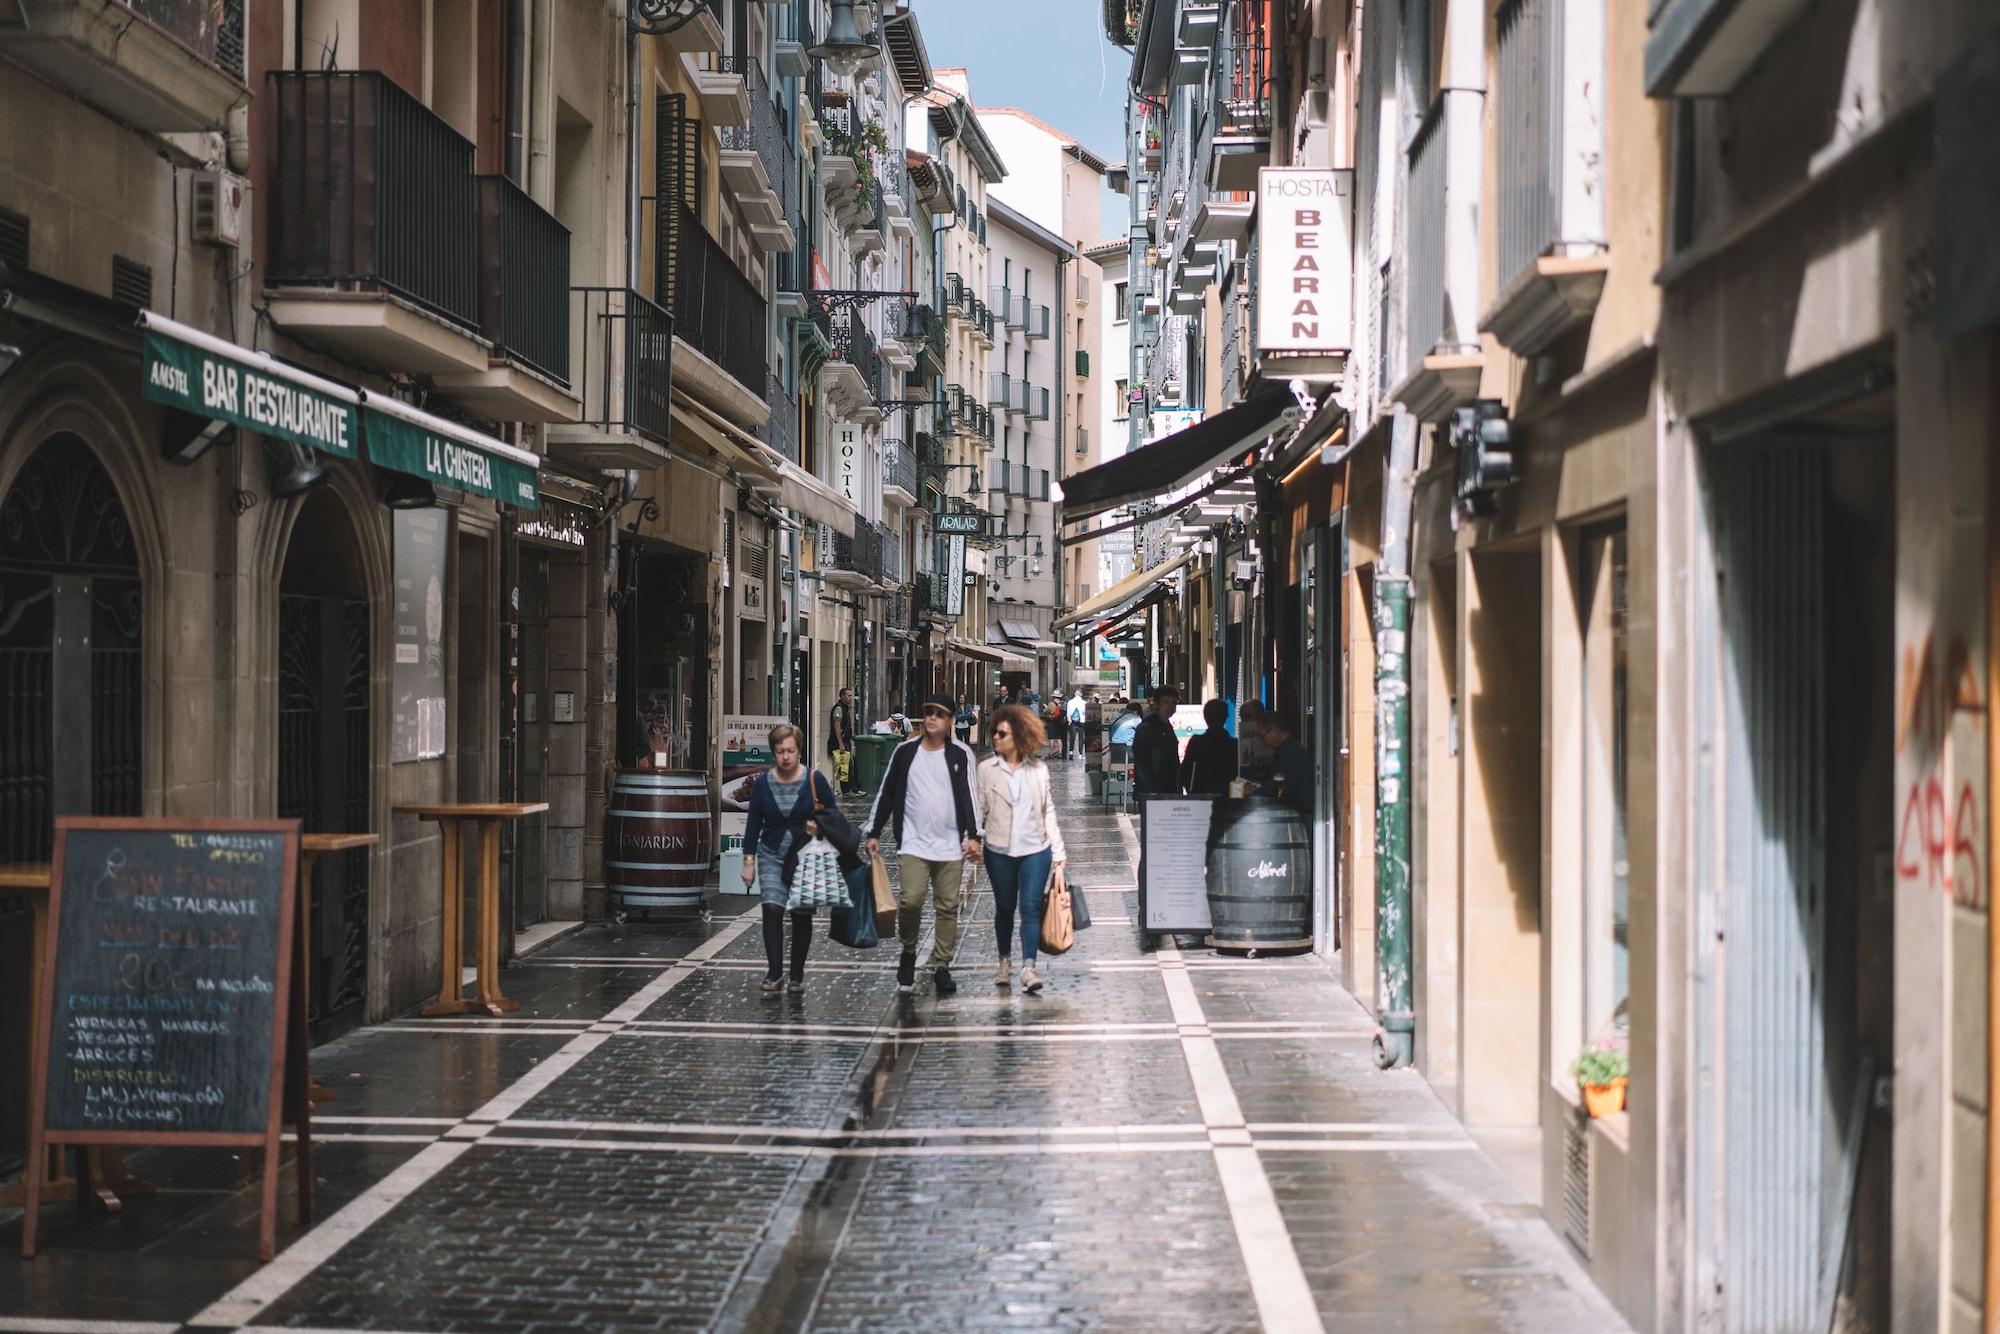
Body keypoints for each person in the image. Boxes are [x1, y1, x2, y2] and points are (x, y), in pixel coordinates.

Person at [866, 693, 983, 997]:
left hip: (949, 844)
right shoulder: (905, 753)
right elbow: (887, 793)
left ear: (950, 721)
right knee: (910, 901)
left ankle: (942, 966)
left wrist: (974, 836)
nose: (932, 718)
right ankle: (908, 950)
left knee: (947, 906)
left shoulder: (961, 755)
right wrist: (873, 831)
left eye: (939, 714)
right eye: (929, 712)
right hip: (914, 842)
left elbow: (970, 796)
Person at [739, 725, 838, 995]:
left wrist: (819, 826)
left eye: (790, 751)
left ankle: (796, 975)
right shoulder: (762, 784)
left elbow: (834, 816)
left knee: (800, 915)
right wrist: (748, 861)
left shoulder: (814, 780)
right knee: (771, 909)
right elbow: (753, 823)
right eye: (780, 751)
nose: (785, 756)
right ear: (773, 752)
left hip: (804, 858)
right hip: (771, 854)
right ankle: (774, 973)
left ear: (799, 751)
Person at [977, 704, 1066, 994]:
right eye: (994, 733)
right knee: (1004, 907)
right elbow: (980, 809)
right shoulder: (986, 770)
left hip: (1035, 849)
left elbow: (1048, 809)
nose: (996, 738)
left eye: (1002, 734)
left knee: (1030, 907)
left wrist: (1059, 853)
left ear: (1019, 736)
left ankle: (1029, 967)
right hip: (999, 849)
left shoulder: (1038, 770)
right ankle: (1004, 960)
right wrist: (973, 840)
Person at [1257, 709, 1314, 815]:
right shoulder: (1288, 750)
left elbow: (1280, 788)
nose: (1262, 741)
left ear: (1275, 730)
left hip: (1300, 815)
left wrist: (1254, 792)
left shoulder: (1292, 753)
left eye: (1262, 736)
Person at [1132, 686, 1183, 796]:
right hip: (1152, 793)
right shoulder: (1146, 728)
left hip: (1169, 789)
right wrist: (1153, 793)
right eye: (1166, 702)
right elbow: (1142, 765)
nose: (1171, 706)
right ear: (1156, 704)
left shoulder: (1168, 727)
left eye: (1174, 703)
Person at [1180, 698, 1237, 795]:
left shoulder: (1197, 742)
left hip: (1200, 797)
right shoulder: (1234, 745)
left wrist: (1191, 790)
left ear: (1205, 717)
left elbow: (1185, 772)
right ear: (1226, 716)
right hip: (1228, 798)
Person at [828, 687, 856, 796]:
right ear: (842, 696)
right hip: (840, 742)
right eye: (848, 695)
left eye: (851, 695)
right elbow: (837, 725)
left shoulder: (845, 708)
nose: (851, 698)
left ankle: (851, 790)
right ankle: (846, 791)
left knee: (849, 766)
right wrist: (840, 743)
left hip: (845, 741)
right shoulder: (839, 709)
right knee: (843, 767)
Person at [1064, 687, 1088, 759]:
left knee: (1072, 737)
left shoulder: (1070, 702)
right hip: (1081, 721)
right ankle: (1080, 754)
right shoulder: (1084, 703)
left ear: (1074, 694)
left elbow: (1068, 713)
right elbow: (1085, 713)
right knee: (1081, 738)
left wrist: (1069, 721)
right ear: (1081, 694)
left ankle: (1071, 752)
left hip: (1073, 722)